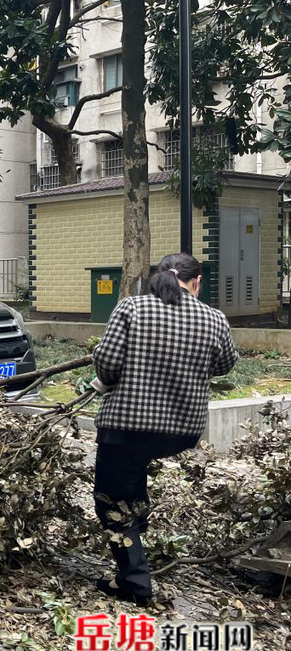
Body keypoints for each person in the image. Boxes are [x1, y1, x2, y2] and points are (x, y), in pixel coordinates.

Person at [90, 253, 237, 606]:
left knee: (112, 501)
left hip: (127, 426)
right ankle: (137, 545)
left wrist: (111, 379)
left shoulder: (131, 308)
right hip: (180, 430)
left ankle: (134, 582)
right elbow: (225, 364)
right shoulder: (214, 318)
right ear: (196, 282)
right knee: (131, 483)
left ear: (158, 278)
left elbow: (108, 363)